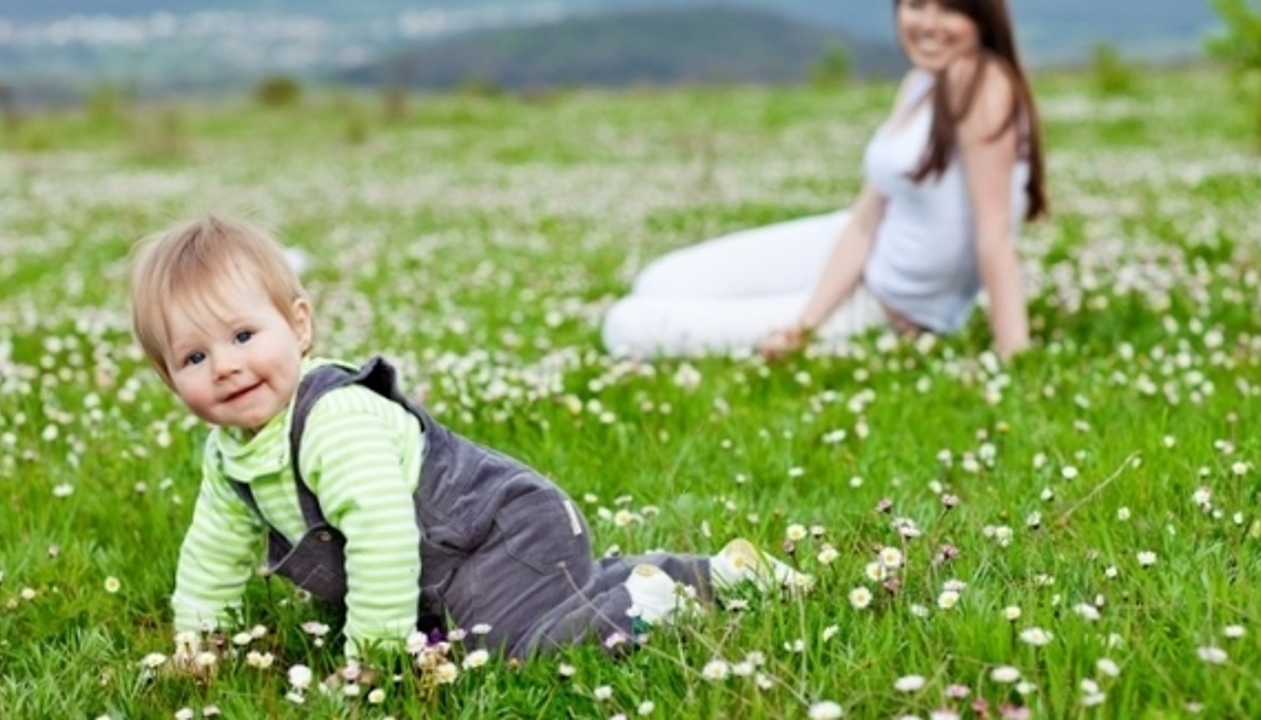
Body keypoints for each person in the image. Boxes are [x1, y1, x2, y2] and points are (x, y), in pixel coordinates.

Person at [129, 216, 810, 663]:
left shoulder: (331, 423)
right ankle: (713, 571)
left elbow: (384, 536)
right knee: (497, 623)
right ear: (168, 377)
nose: (226, 365)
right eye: (193, 357)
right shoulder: (231, 457)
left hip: (499, 530)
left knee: (520, 644)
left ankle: (653, 602)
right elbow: (214, 549)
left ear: (298, 327)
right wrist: (199, 636)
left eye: (244, 335)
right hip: (451, 566)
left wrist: (373, 652)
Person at [602, 0, 1047, 361]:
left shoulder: (982, 84)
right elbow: (865, 219)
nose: (928, 23)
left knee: (626, 326)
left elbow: (994, 237)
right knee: (658, 280)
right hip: (848, 248)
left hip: (888, 306)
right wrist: (809, 320)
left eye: (949, 9)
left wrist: (1013, 356)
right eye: (915, 5)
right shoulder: (920, 83)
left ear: (982, 17)